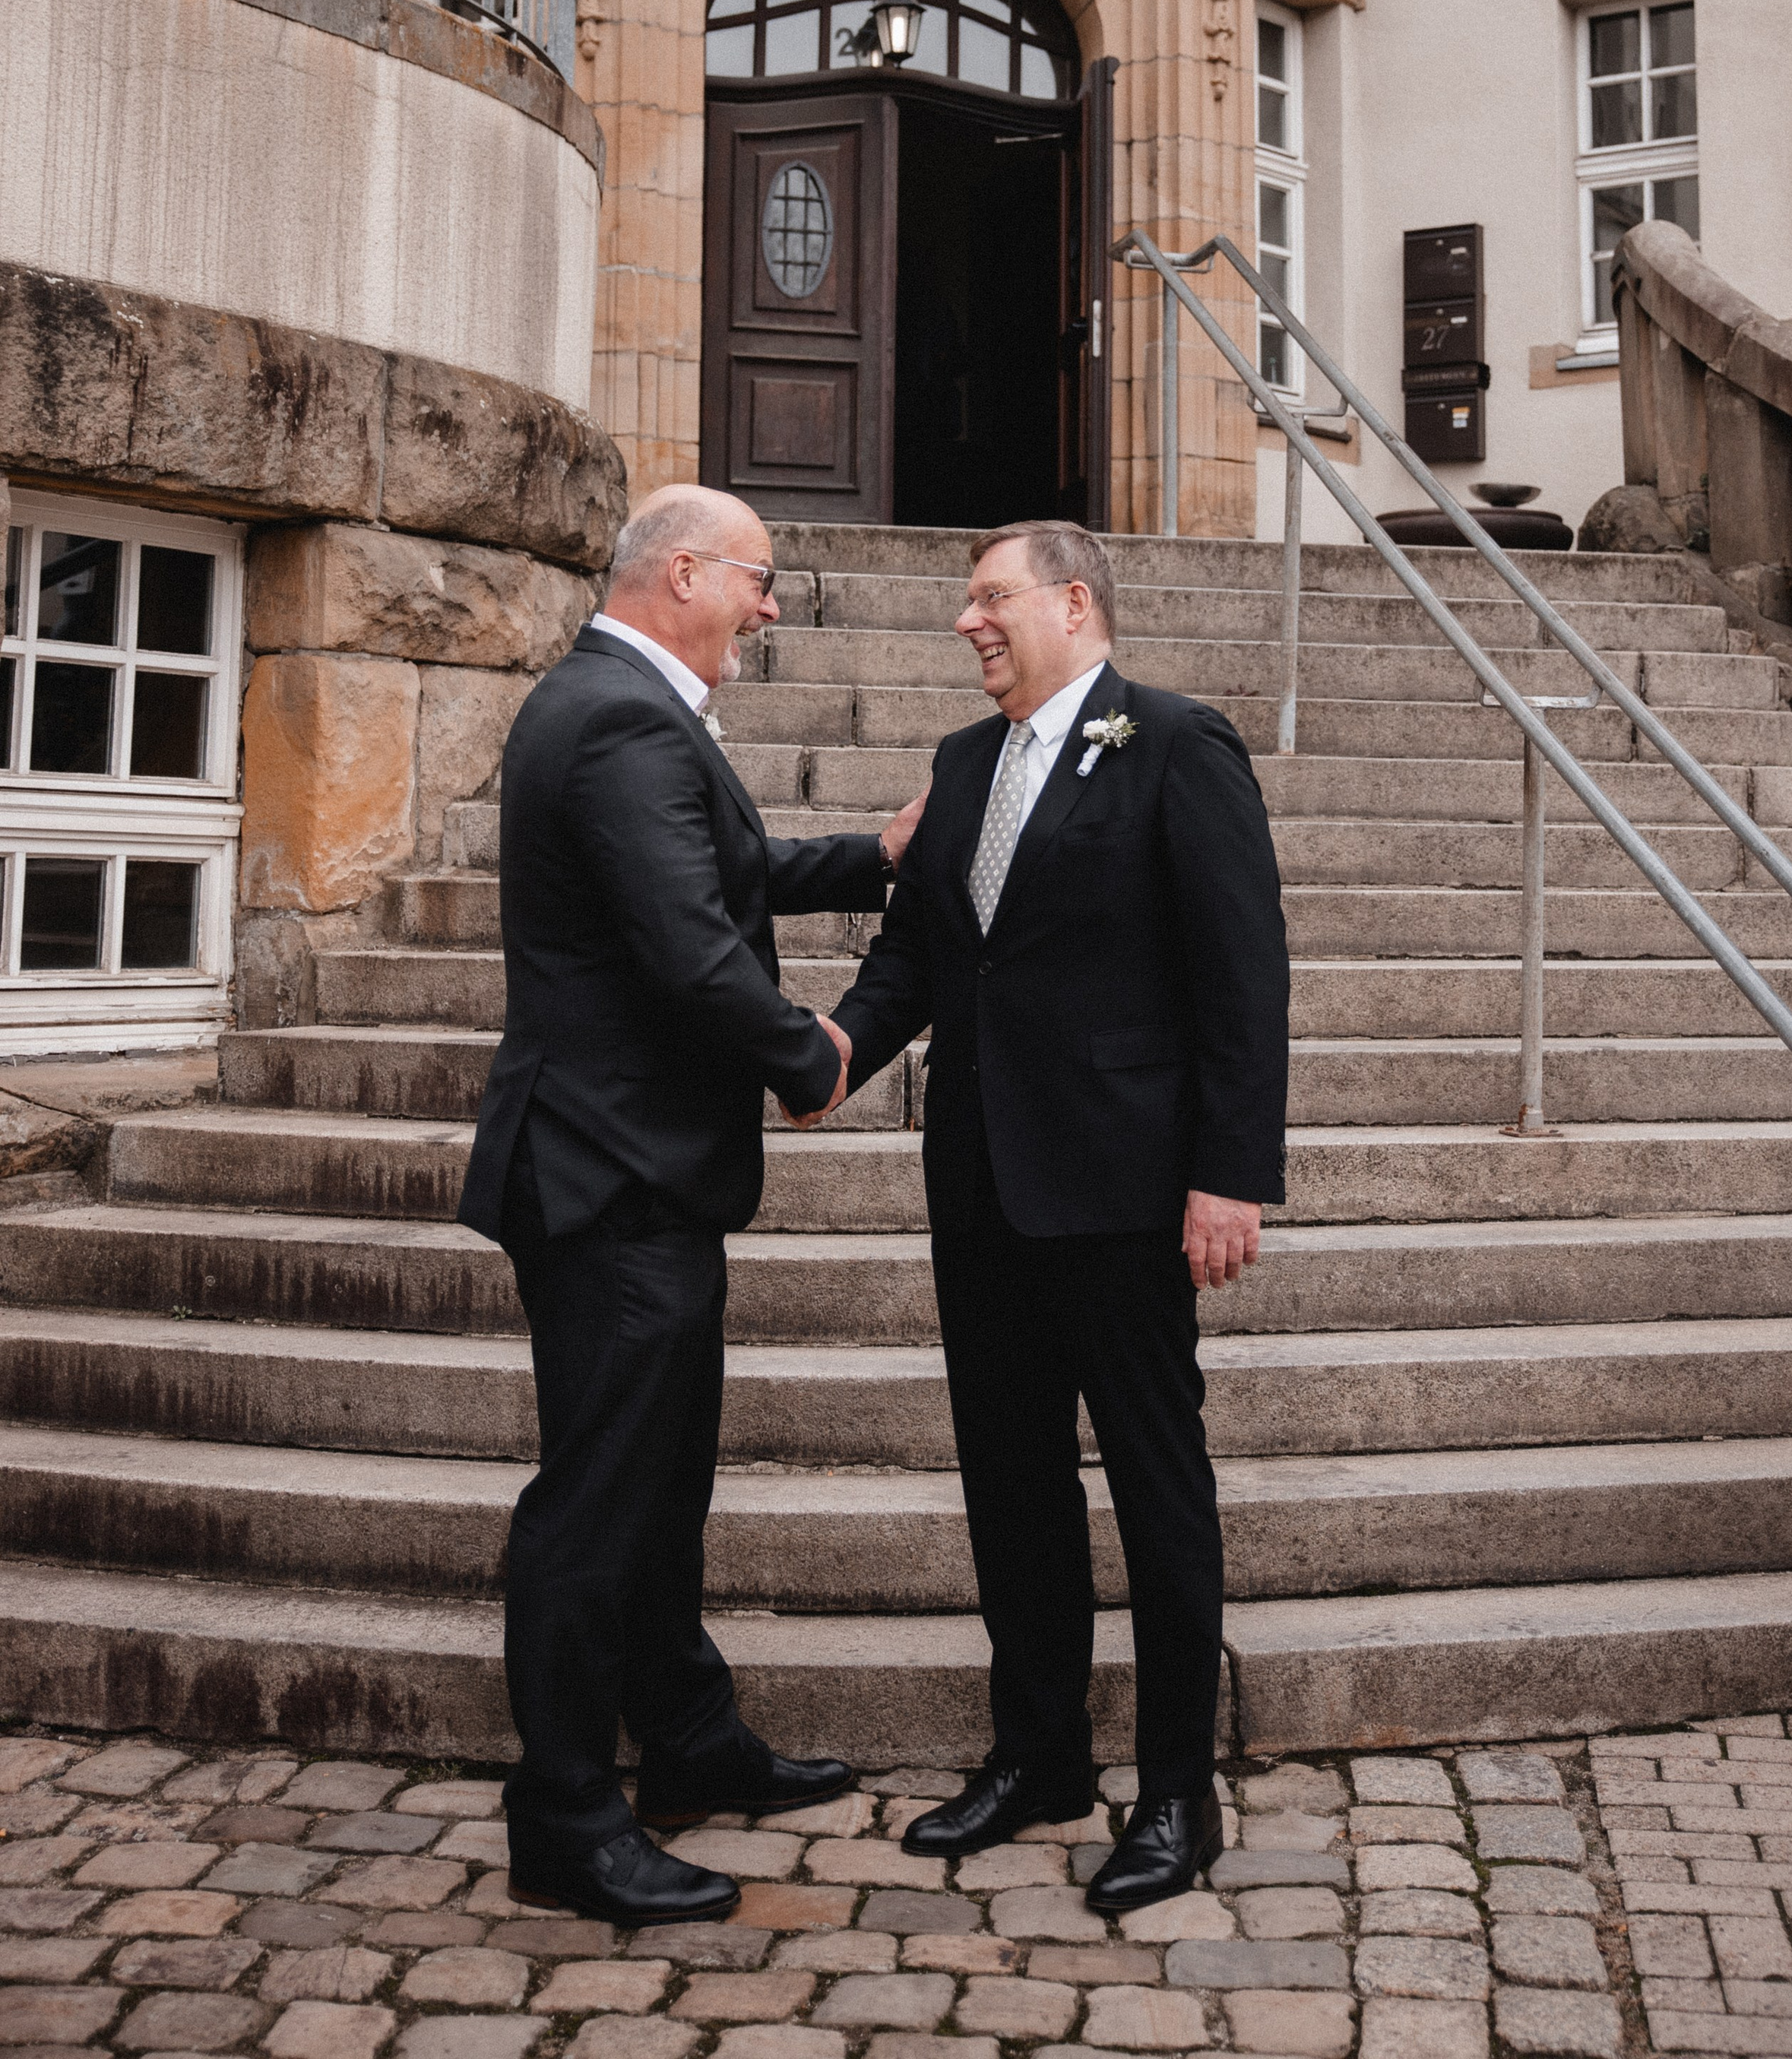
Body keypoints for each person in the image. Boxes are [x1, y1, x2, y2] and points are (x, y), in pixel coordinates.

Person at [457, 483, 925, 1929]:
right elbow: (685, 947)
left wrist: (880, 855)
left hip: (635, 1172)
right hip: (611, 1178)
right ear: (680, 573)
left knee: (660, 1491)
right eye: (759, 579)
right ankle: (565, 1819)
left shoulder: (620, 704)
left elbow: (719, 877)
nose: (773, 605)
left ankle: (690, 1746)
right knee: (597, 1506)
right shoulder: (614, 717)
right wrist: (814, 1057)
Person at [829, 518, 1288, 1912]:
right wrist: (830, 1056)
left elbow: (1242, 972)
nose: (969, 622)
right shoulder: (964, 763)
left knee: (1158, 1489)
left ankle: (1175, 1796)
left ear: (1072, 605)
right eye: (966, 602)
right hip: (979, 1185)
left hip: (1127, 1190)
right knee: (1009, 1482)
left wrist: (1229, 1174)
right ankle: (1036, 1757)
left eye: (990, 598)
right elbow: (915, 954)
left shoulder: (1176, 743)